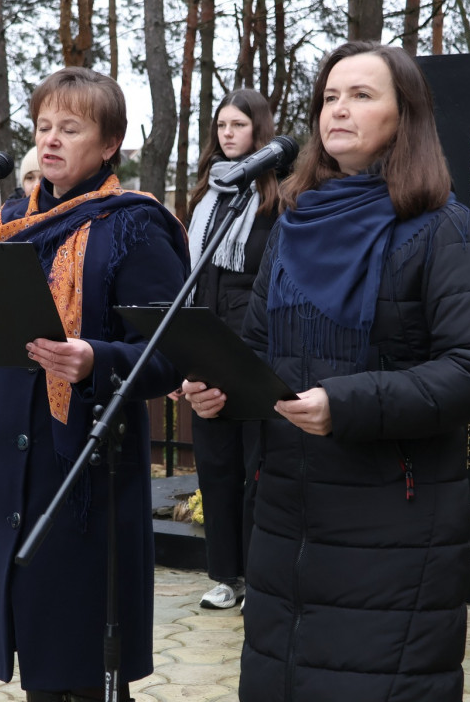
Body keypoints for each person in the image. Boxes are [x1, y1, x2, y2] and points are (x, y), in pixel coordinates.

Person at [183, 42, 470, 701]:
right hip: (285, 527)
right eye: (330, 96)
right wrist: (223, 389)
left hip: (393, 531)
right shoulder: (293, 224)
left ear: (404, 115)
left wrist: (347, 403)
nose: (339, 109)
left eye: (362, 95)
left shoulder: (447, 230)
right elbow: (259, 353)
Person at [0, 67, 190, 700]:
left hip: (86, 480)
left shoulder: (134, 226)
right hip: (8, 477)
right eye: (44, 126)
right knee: (38, 673)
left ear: (110, 145)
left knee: (87, 670)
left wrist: (95, 359)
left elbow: (168, 357)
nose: (51, 140)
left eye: (70, 128)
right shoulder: (10, 220)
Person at [183, 88, 278, 610]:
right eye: (221, 125)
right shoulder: (208, 194)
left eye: (238, 125)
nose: (227, 133)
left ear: (258, 130)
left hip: (254, 347)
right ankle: (226, 576)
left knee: (255, 469)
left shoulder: (276, 197)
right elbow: (196, 278)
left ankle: (260, 575)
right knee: (215, 469)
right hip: (207, 342)